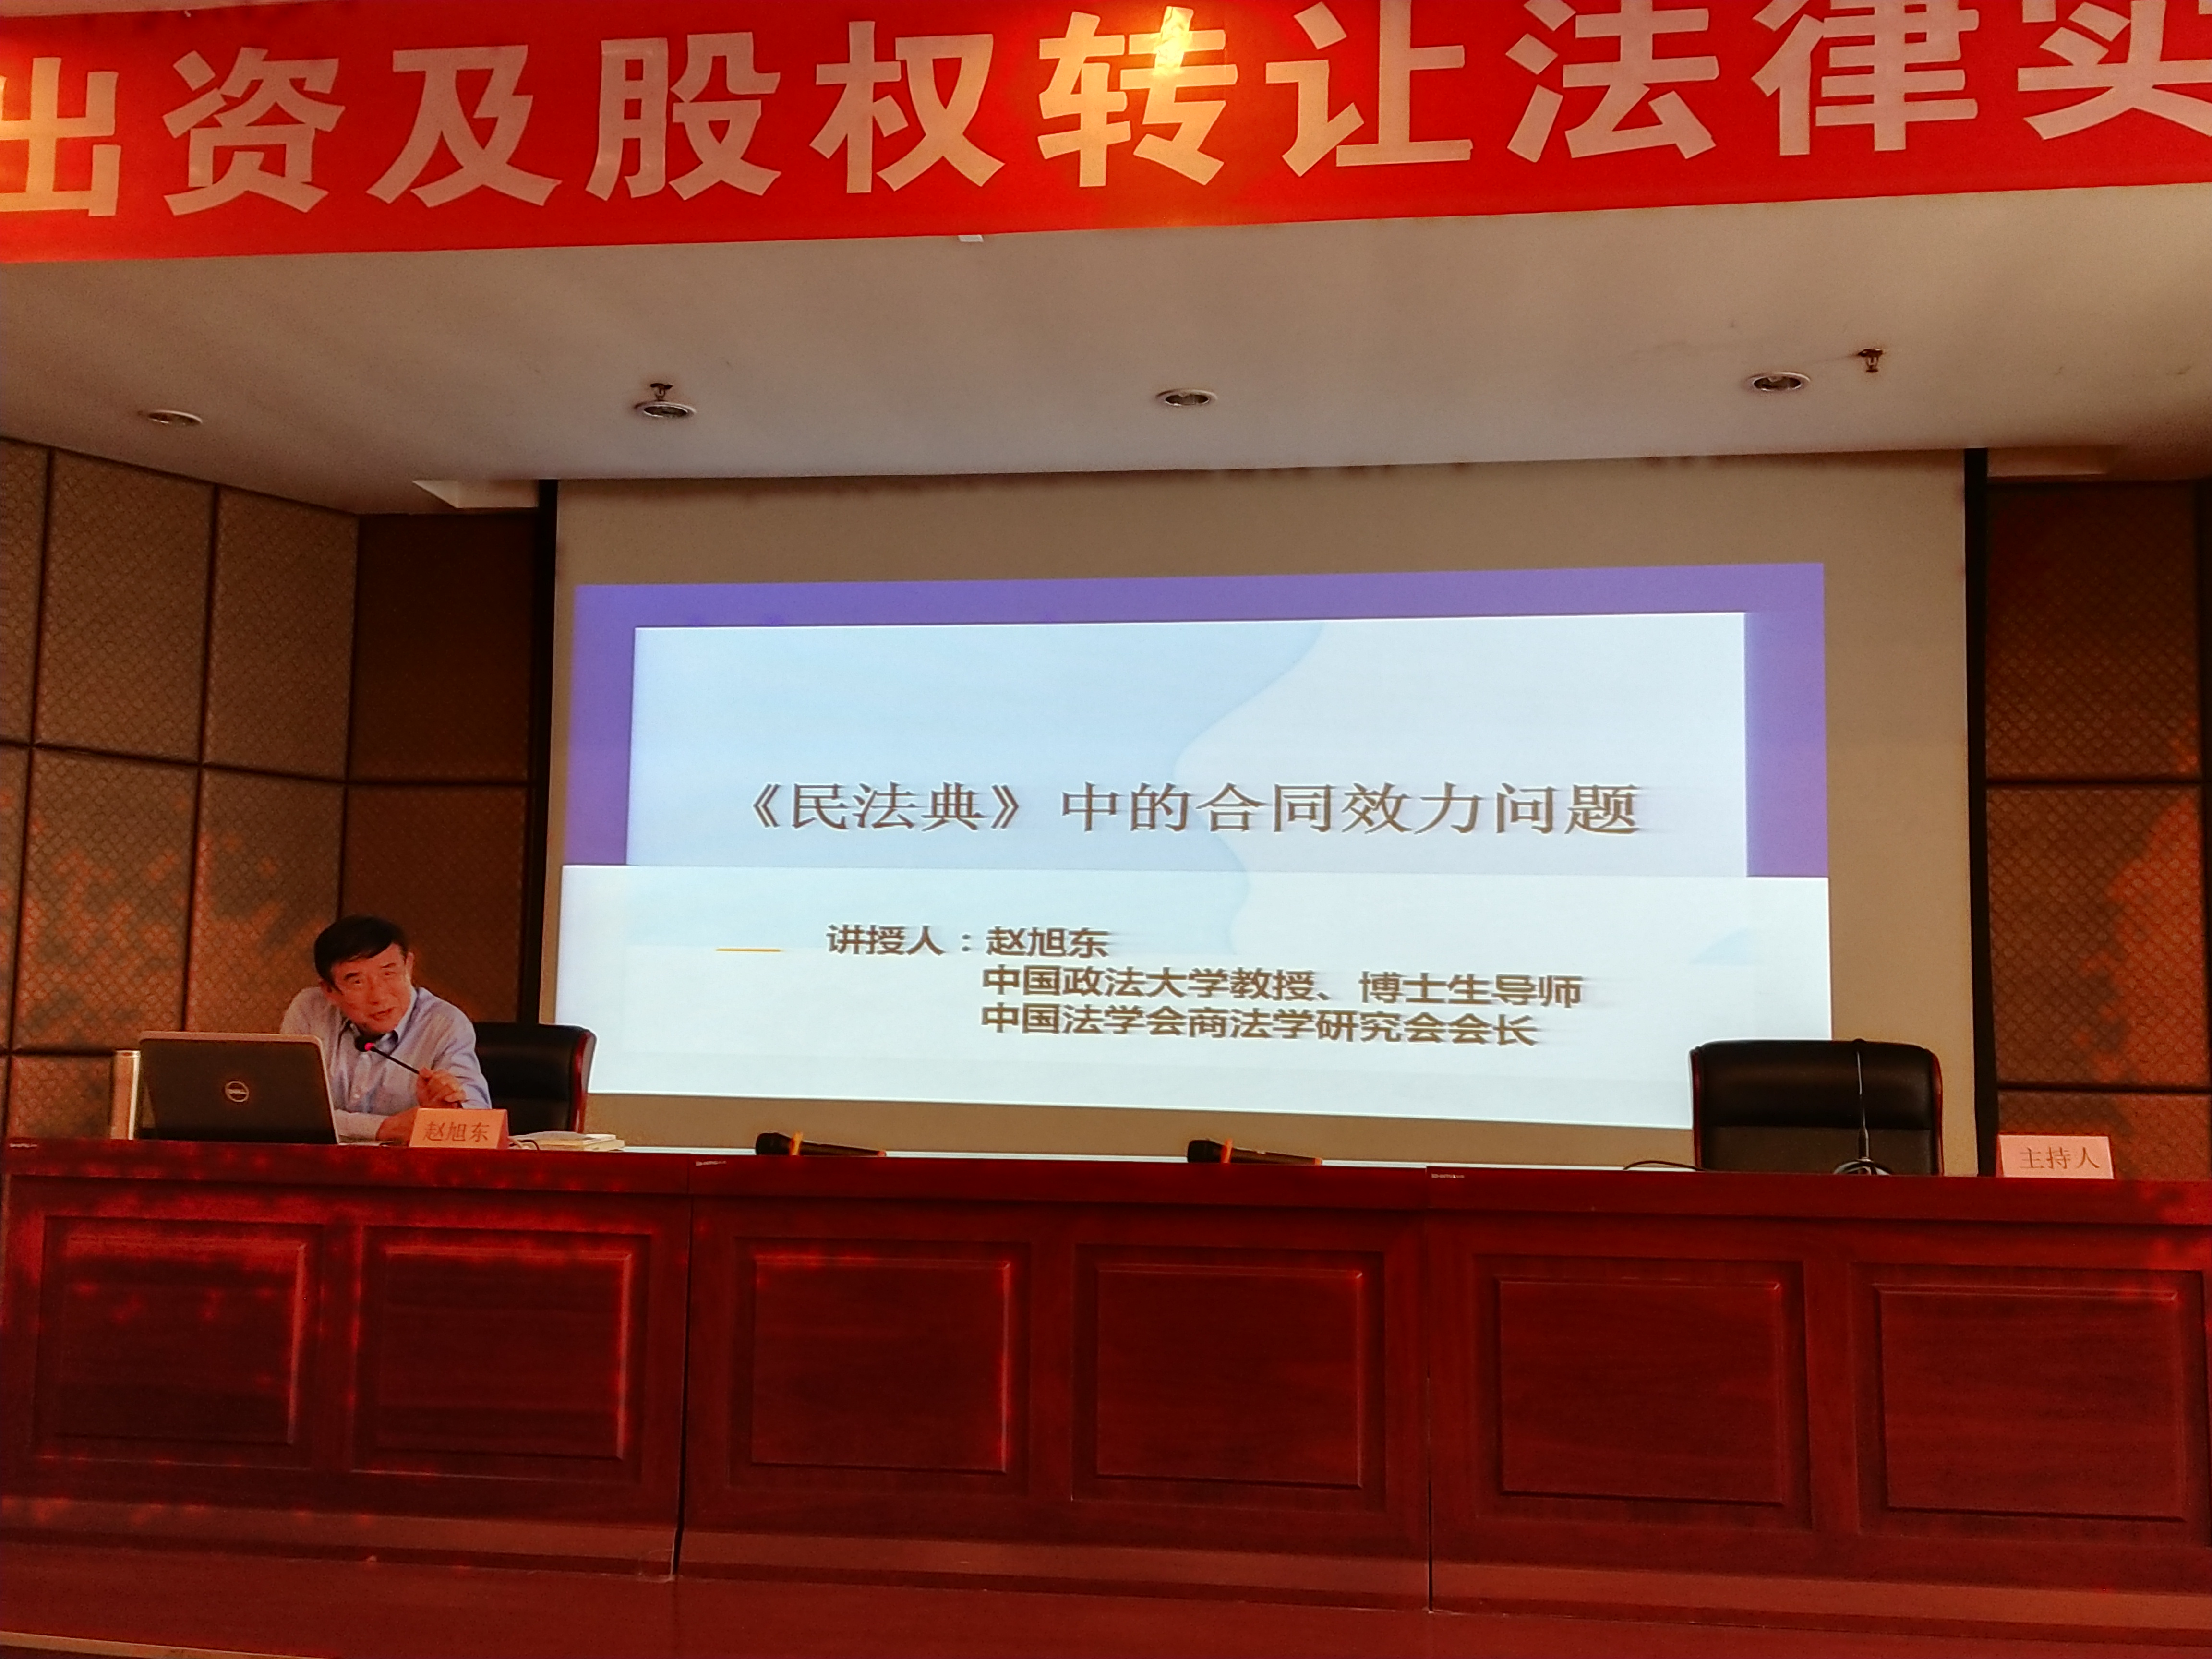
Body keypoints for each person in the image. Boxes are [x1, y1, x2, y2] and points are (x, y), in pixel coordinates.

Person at [281, 915, 492, 1142]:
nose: (379, 996)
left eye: (388, 973)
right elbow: (288, 1111)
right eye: (357, 982)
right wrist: (386, 1128)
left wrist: (449, 1111)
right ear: (329, 991)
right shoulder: (310, 1011)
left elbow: (478, 1121)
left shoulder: (444, 1024)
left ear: (408, 967)